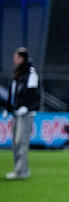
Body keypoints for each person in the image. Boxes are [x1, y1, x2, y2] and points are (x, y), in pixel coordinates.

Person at [5, 47, 39, 180]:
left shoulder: (31, 72)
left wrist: (27, 106)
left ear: (22, 58)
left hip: (26, 113)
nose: (14, 60)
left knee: (22, 141)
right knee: (15, 142)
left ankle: (22, 171)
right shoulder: (18, 73)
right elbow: (13, 92)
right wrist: (9, 108)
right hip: (16, 111)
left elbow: (33, 92)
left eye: (16, 58)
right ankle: (18, 169)